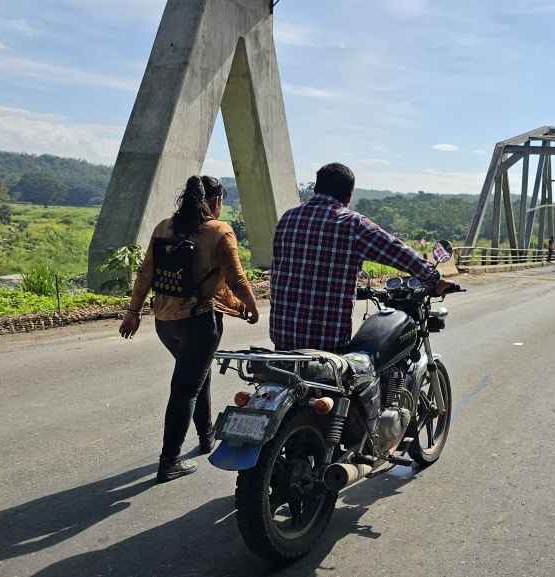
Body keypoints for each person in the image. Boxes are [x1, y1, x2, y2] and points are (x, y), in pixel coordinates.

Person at [119, 175, 260, 483]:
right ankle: (169, 461)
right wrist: (251, 306)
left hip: (164, 322)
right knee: (185, 389)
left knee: (197, 373)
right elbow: (236, 280)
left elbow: (145, 274)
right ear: (216, 201)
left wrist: (133, 312)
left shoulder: (164, 227)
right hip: (199, 321)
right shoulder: (219, 231)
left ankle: (206, 436)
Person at [271, 163, 456, 352]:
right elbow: (396, 251)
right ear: (348, 195)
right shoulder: (352, 224)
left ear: (316, 188)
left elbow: (282, 269)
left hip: (283, 338)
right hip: (327, 344)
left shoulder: (288, 218)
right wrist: (435, 279)